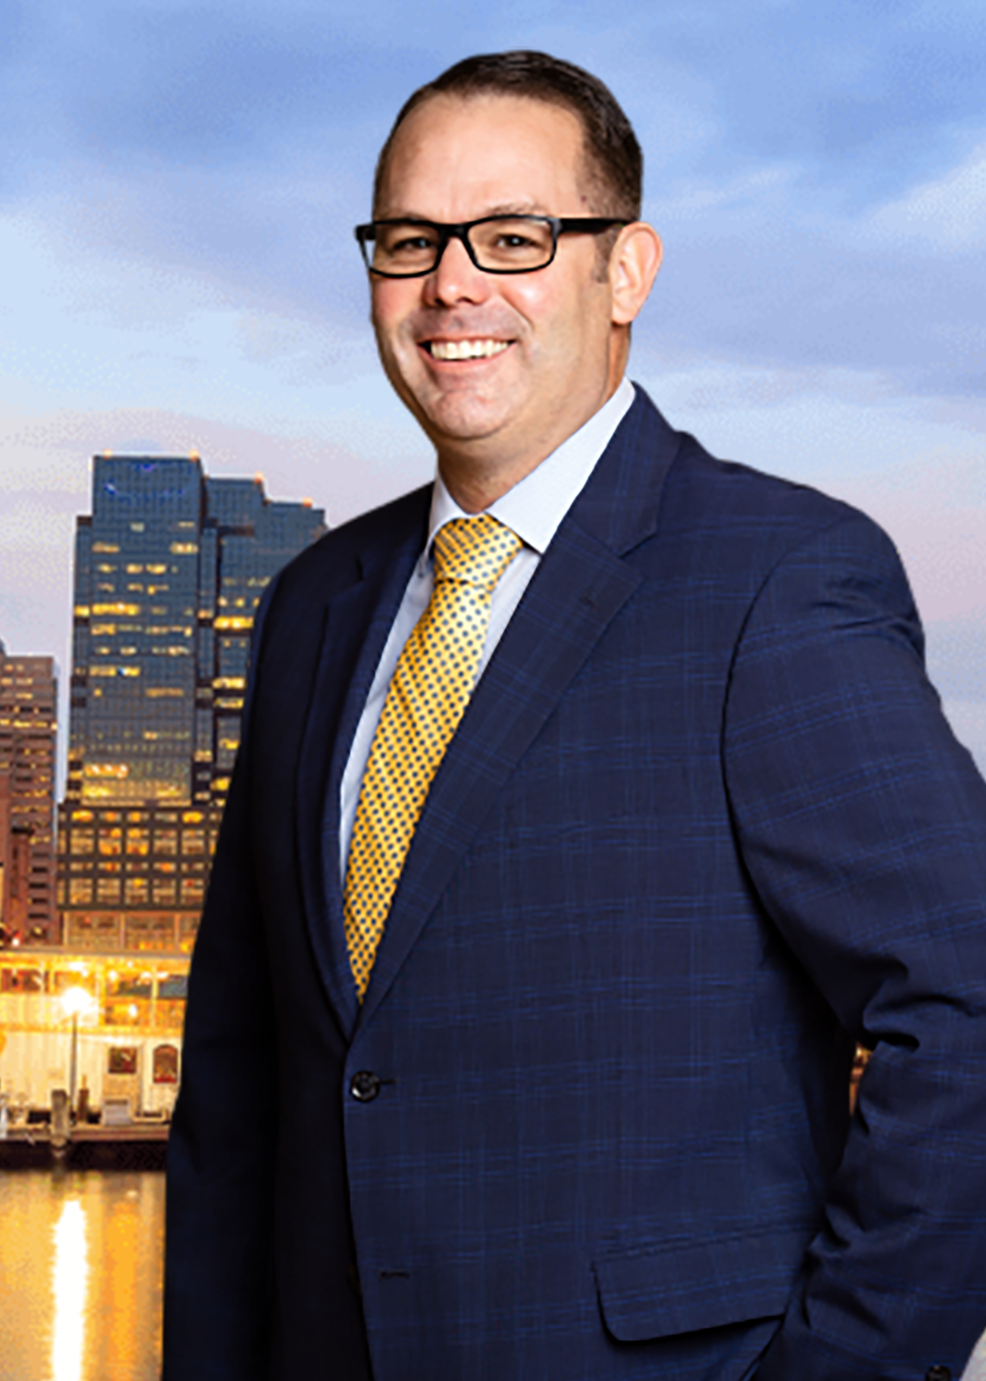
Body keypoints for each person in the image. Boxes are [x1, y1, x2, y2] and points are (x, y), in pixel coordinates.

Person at [163, 50, 986, 1381]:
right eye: (410, 240)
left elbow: (965, 1005)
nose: (452, 285)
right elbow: (238, 1084)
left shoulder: (774, 578)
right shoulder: (316, 604)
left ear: (626, 271)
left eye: (513, 237)